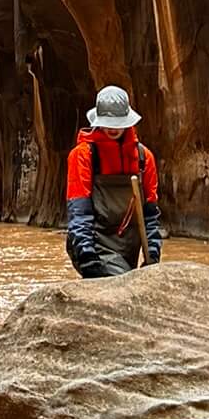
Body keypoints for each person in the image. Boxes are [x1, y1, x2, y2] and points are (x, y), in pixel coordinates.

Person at [66, 85, 162, 276]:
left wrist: (152, 253)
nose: (112, 128)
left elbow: (150, 214)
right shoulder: (83, 155)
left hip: (129, 248)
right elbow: (79, 212)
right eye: (108, 122)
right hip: (96, 244)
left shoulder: (144, 158)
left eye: (117, 123)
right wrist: (87, 255)